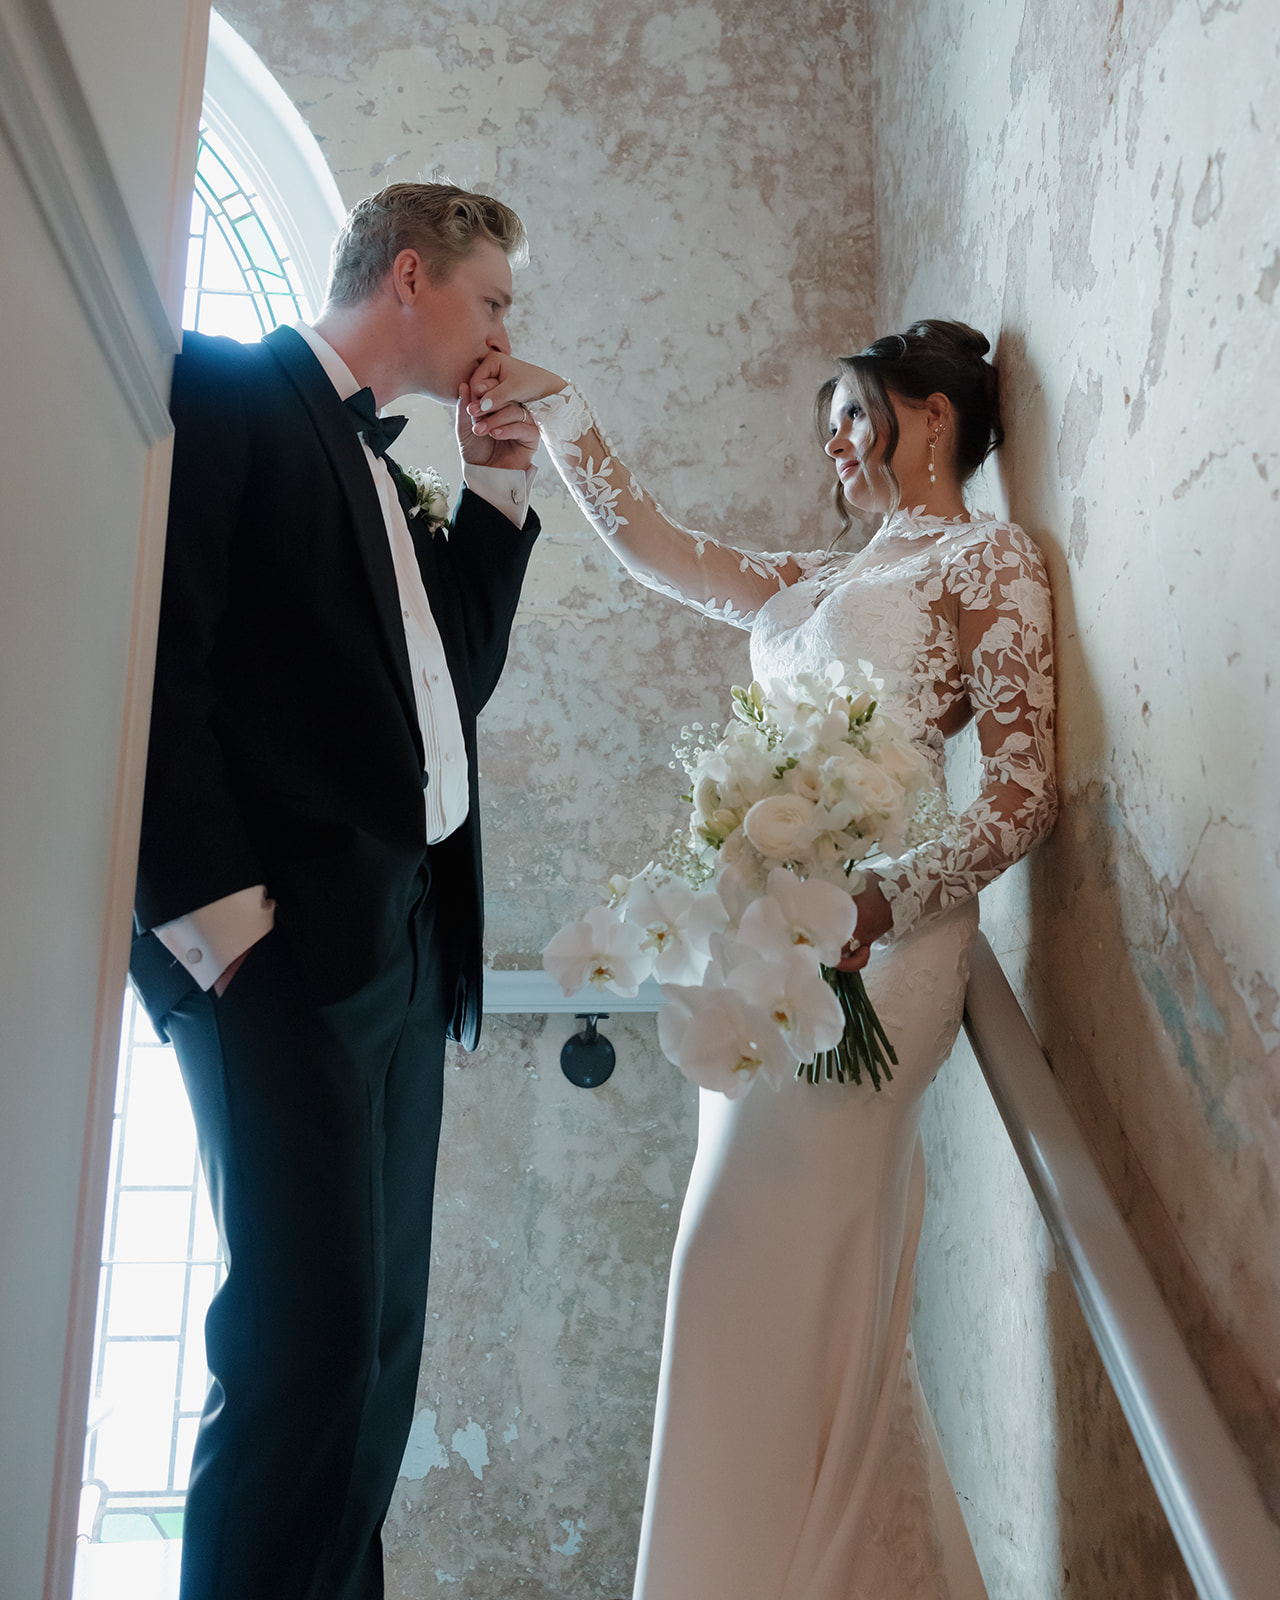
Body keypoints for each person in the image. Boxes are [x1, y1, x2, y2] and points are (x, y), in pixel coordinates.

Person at [465, 320, 1056, 1599]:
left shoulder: (986, 560)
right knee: (739, 1275)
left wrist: (880, 903)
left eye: (851, 414)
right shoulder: (816, 581)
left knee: (750, 1259)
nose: (835, 446)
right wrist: (559, 410)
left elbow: (1021, 794)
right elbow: (652, 548)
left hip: (873, 956)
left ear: (933, 415)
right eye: (828, 429)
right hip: (759, 953)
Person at [128, 183, 541, 1600]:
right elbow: (156, 665)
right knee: (302, 1341)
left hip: (408, 947)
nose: (504, 334)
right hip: (278, 950)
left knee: (377, 1344)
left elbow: (452, 685)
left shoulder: (392, 466)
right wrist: (222, 925)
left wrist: (496, 481)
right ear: (411, 278)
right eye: (494, 301)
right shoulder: (230, 395)